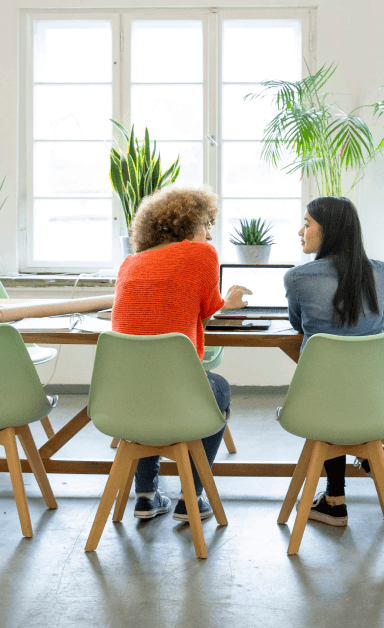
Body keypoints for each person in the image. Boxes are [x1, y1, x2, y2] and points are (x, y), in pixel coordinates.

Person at [111, 186, 251, 522]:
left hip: (123, 399)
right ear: (187, 225)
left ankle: (145, 496)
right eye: (206, 225)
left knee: (150, 386)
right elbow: (205, 307)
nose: (209, 233)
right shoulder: (202, 255)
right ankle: (192, 498)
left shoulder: (129, 264)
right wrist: (227, 304)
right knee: (218, 388)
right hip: (178, 394)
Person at [283, 196, 384, 527]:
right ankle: (366, 452)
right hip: (376, 402)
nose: (300, 231)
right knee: (345, 390)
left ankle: (335, 501)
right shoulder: (382, 272)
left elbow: (297, 325)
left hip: (318, 404)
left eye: (307, 223)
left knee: (330, 391)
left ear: (327, 230)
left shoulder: (298, 278)